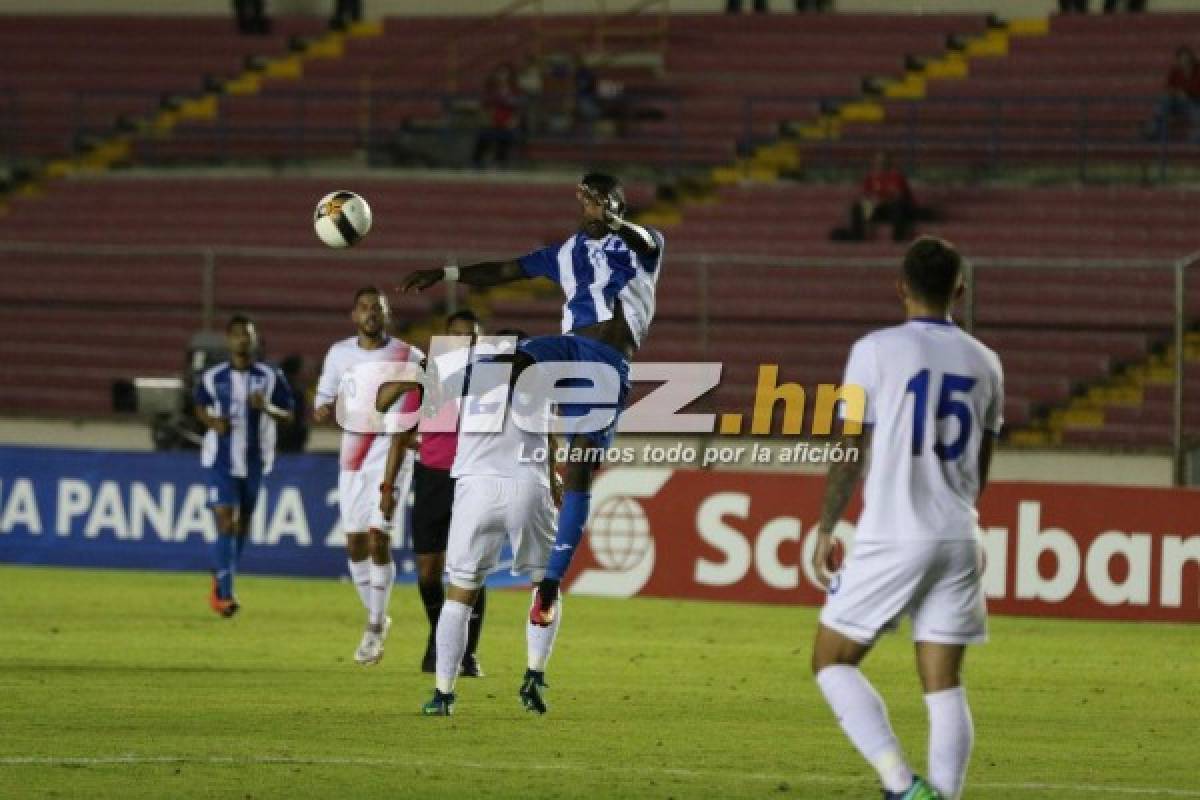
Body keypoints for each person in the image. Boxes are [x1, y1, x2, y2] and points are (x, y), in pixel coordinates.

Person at [399, 172, 664, 629]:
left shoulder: (644, 245)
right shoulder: (565, 251)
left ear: (617, 204)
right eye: (586, 199)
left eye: (601, 199)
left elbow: (641, 239)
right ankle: (430, 385)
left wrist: (615, 221)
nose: (592, 206)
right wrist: (445, 275)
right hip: (569, 345)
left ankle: (550, 586)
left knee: (578, 470)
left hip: (606, 364)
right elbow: (506, 270)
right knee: (512, 357)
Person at [809, 237, 1003, 800]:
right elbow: (981, 470)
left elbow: (850, 447)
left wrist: (827, 525)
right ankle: (943, 795)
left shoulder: (875, 349)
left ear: (900, 287)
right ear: (958, 291)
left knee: (832, 661)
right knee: (943, 685)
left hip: (896, 530)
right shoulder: (987, 363)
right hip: (959, 533)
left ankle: (900, 782)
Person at [415, 329, 565, 716]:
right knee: (543, 585)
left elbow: (428, 401)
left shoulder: (469, 375)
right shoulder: (542, 380)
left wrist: (422, 372)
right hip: (530, 486)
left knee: (461, 592)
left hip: (477, 487)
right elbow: (553, 437)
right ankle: (534, 673)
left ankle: (443, 693)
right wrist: (555, 477)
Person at [377, 309, 489, 677]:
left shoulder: (490, 382)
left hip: (471, 480)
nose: (465, 342)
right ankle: (440, 636)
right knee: (427, 572)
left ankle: (467, 654)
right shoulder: (428, 378)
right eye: (457, 335)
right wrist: (388, 486)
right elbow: (399, 432)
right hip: (430, 479)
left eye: (471, 336)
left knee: (467, 569)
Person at [314, 287, 423, 666]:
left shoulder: (410, 356)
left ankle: (375, 626)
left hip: (394, 457)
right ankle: (377, 616)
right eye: (364, 308)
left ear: (388, 314)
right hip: (354, 458)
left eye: (377, 308)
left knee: (380, 538)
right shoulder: (339, 354)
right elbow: (321, 402)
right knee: (355, 545)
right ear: (353, 316)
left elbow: (434, 400)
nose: (371, 314)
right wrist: (324, 411)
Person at [194, 314, 294, 617]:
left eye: (247, 334)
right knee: (225, 520)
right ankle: (224, 594)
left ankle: (220, 572)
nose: (242, 339)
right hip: (221, 459)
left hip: (255, 460)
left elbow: (288, 414)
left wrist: (266, 407)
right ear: (229, 340)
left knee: (242, 526)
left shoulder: (270, 376)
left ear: (254, 339)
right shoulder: (214, 377)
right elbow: (199, 405)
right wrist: (212, 421)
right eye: (237, 334)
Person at [834, 151, 917, 243]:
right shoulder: (871, 177)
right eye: (878, 161)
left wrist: (883, 200)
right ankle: (857, 237)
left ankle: (898, 239)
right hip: (875, 209)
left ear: (889, 162)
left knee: (897, 206)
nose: (881, 164)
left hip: (890, 210)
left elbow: (900, 196)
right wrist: (870, 201)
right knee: (857, 207)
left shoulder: (896, 176)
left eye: (883, 161)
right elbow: (864, 196)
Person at [472, 64, 521, 168]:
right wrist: (487, 118)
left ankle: (499, 162)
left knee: (506, 135)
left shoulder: (514, 90)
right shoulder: (491, 89)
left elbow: (517, 108)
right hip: (491, 120)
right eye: (500, 73)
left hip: (506, 122)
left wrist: (513, 120)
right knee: (484, 134)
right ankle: (476, 161)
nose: (502, 76)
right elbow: (484, 105)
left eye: (505, 73)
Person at [1146, 47, 1200, 142]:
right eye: (1182, 59)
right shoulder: (1175, 71)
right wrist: (1177, 92)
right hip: (1178, 103)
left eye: (1187, 59)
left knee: (1197, 114)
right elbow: (1168, 88)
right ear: (1178, 60)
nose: (1185, 61)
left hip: (1194, 102)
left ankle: (1195, 140)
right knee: (1165, 102)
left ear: (1192, 59)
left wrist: (1187, 93)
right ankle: (1153, 132)